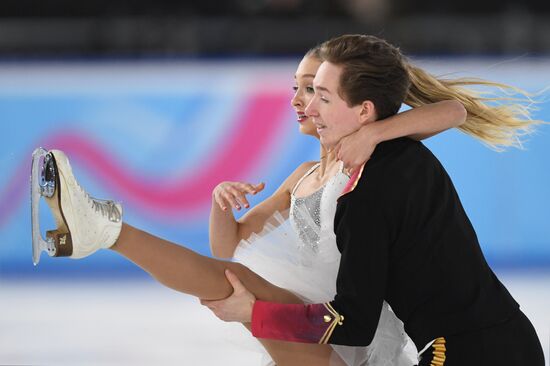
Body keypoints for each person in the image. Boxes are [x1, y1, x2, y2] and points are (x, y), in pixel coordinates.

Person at [201, 34, 545, 366]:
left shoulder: (361, 192)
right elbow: (451, 111)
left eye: (320, 94)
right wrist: (374, 132)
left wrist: (254, 313)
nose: (306, 106)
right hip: (510, 335)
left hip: (461, 352)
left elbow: (353, 323)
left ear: (364, 109)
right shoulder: (404, 151)